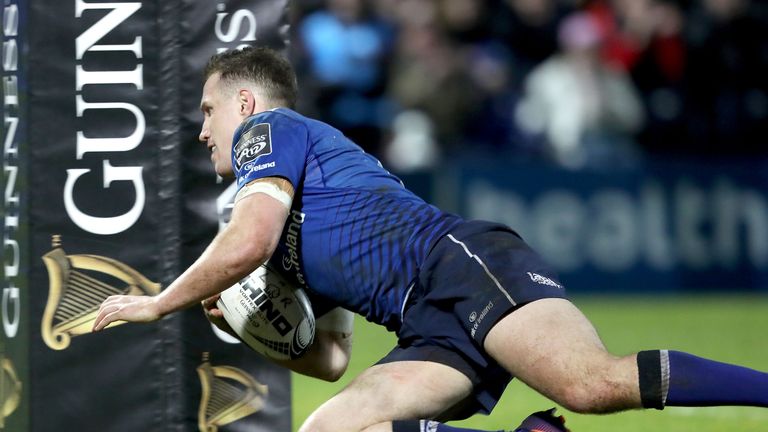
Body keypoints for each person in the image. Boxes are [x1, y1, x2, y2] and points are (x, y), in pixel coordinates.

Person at [93, 46, 768, 432]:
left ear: (244, 105)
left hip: (461, 266)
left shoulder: (267, 136)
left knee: (592, 386)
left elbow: (245, 242)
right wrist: (249, 330)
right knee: (330, 430)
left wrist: (157, 303)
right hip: (425, 325)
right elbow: (327, 359)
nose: (203, 129)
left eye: (208, 110)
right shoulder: (279, 214)